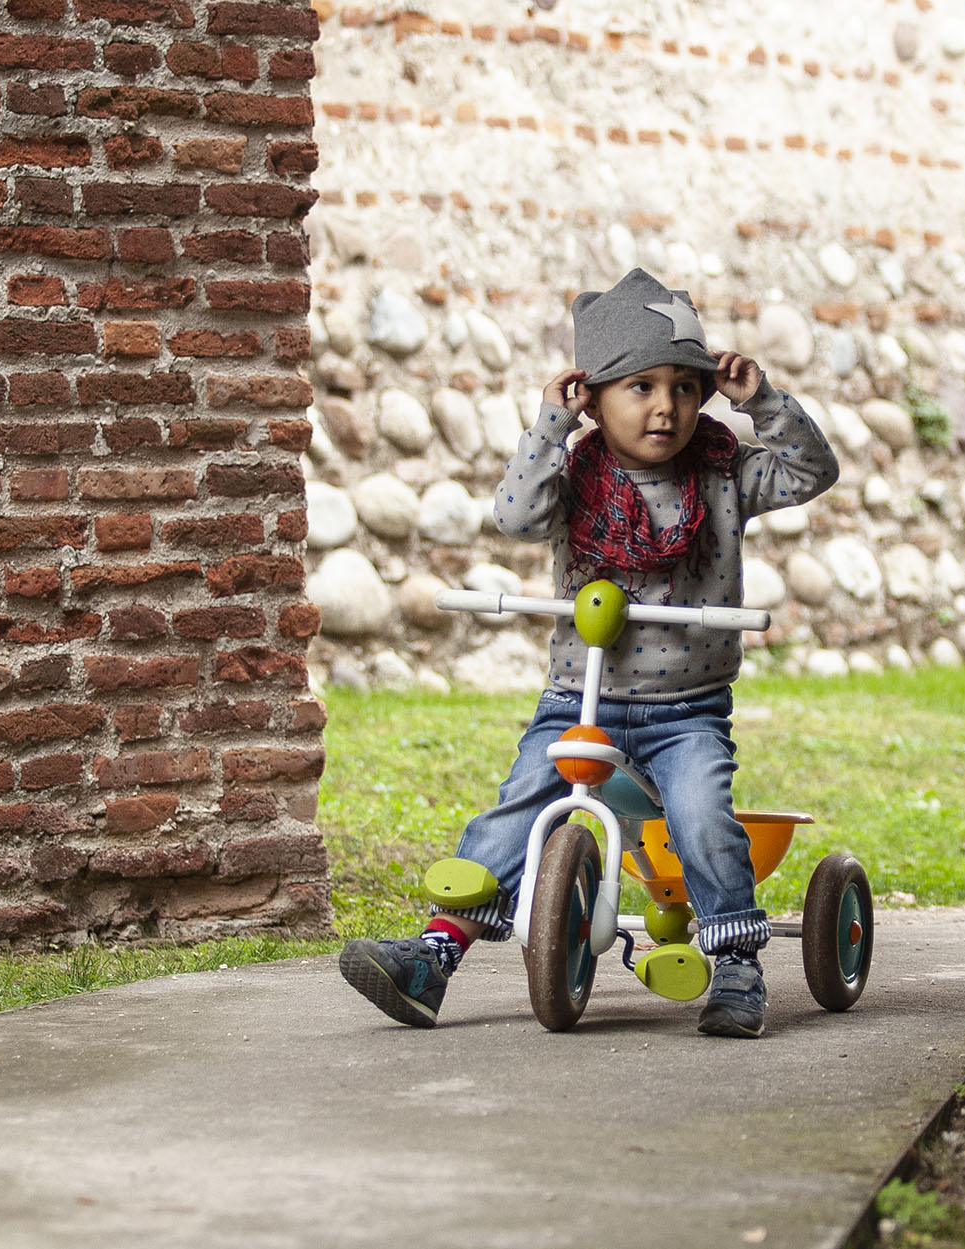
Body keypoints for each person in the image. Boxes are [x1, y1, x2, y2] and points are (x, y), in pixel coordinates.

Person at [336, 267, 840, 1037]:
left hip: (685, 711)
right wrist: (548, 425)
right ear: (593, 399)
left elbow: (812, 471)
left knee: (704, 818)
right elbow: (515, 516)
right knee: (514, 811)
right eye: (639, 387)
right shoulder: (571, 477)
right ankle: (433, 957)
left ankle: (736, 963)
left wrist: (762, 401)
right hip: (578, 700)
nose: (664, 406)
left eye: (681, 386)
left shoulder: (724, 472)